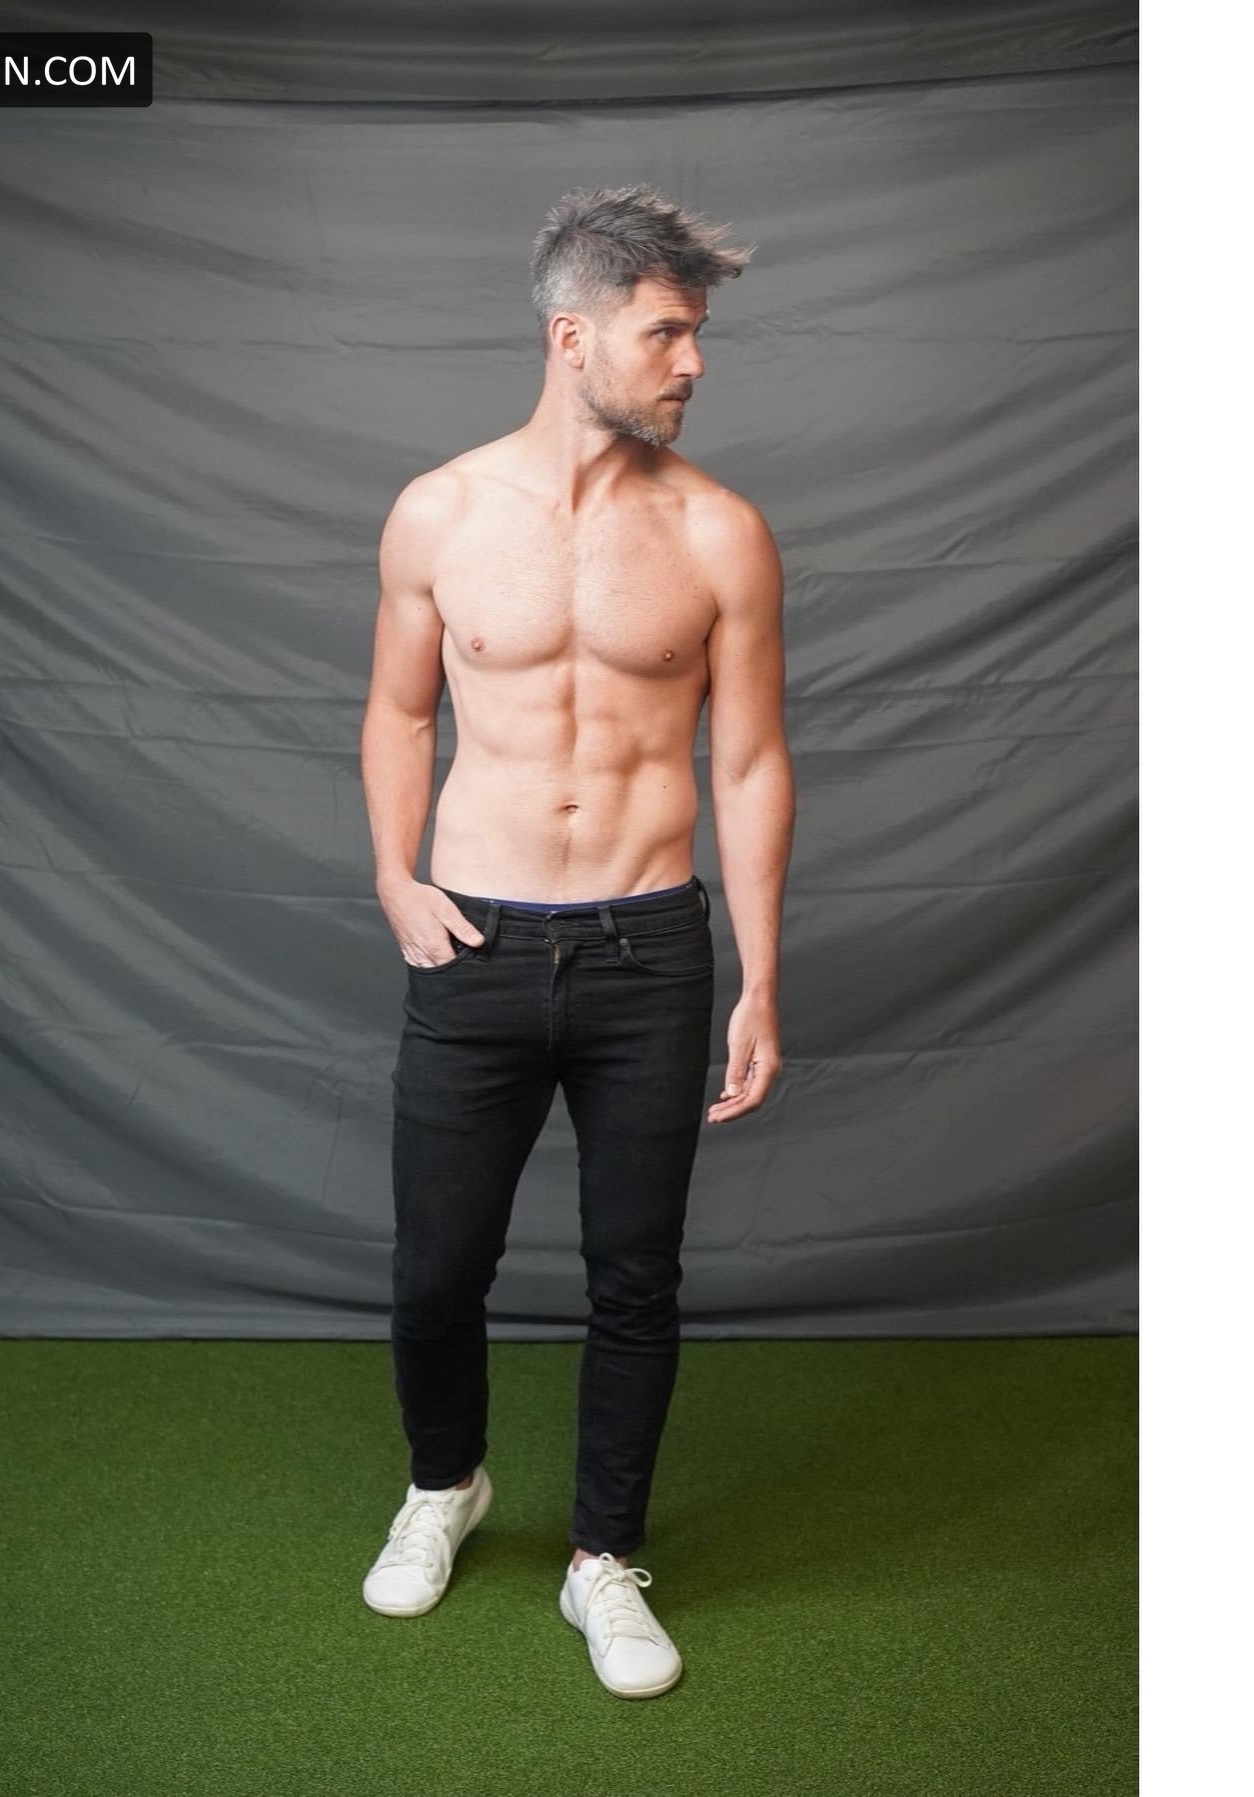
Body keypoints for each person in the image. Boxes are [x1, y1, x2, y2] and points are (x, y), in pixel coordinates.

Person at [357, 182, 794, 1698]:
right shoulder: (440, 512)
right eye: (666, 332)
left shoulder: (722, 533)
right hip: (471, 944)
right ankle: (446, 1482)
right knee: (435, 1269)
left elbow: (750, 762)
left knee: (635, 1276)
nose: (693, 362)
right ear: (572, 336)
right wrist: (393, 878)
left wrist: (761, 975)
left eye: (696, 333)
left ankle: (604, 1556)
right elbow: (399, 710)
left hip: (647, 953)